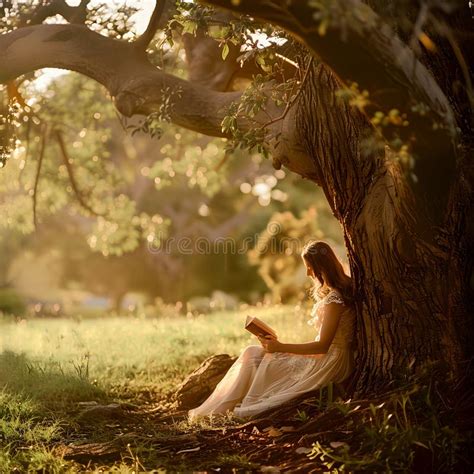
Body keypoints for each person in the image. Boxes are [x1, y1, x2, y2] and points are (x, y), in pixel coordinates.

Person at [188, 240, 355, 420]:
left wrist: (280, 347)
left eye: (309, 267)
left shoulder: (334, 300)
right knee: (252, 352)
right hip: (326, 357)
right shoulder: (337, 293)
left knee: (256, 355)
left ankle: (225, 410)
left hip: (328, 363)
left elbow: (322, 346)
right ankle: (222, 408)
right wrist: (278, 346)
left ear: (321, 267)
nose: (307, 272)